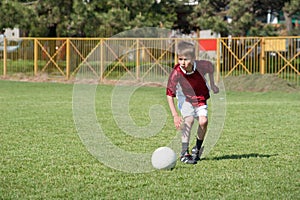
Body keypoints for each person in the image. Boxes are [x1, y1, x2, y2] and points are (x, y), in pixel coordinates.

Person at [166, 41, 219, 164]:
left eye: (186, 59)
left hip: (200, 96)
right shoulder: (176, 72)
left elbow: (211, 67)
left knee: (203, 121)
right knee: (188, 120)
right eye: (180, 59)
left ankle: (197, 149)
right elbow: (169, 95)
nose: (183, 62)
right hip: (185, 97)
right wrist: (175, 115)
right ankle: (184, 152)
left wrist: (212, 84)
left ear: (194, 58)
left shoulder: (202, 66)